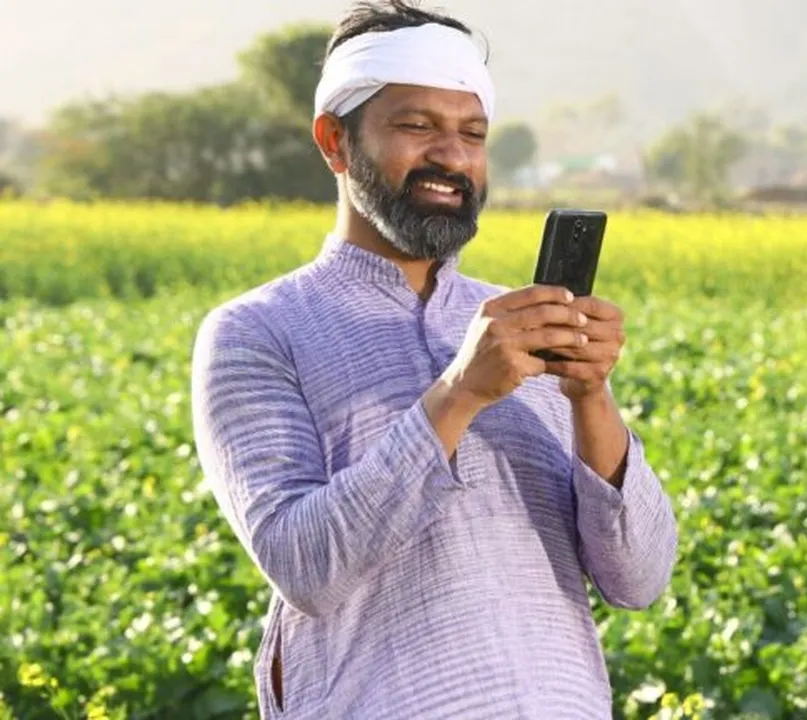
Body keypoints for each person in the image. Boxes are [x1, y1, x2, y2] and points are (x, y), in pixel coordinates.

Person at [188, 2, 679, 717]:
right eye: (417, 126)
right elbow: (305, 568)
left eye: (471, 133)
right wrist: (460, 392)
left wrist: (588, 394)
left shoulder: (518, 322)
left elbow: (638, 578)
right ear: (335, 141)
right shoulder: (256, 332)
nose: (452, 156)